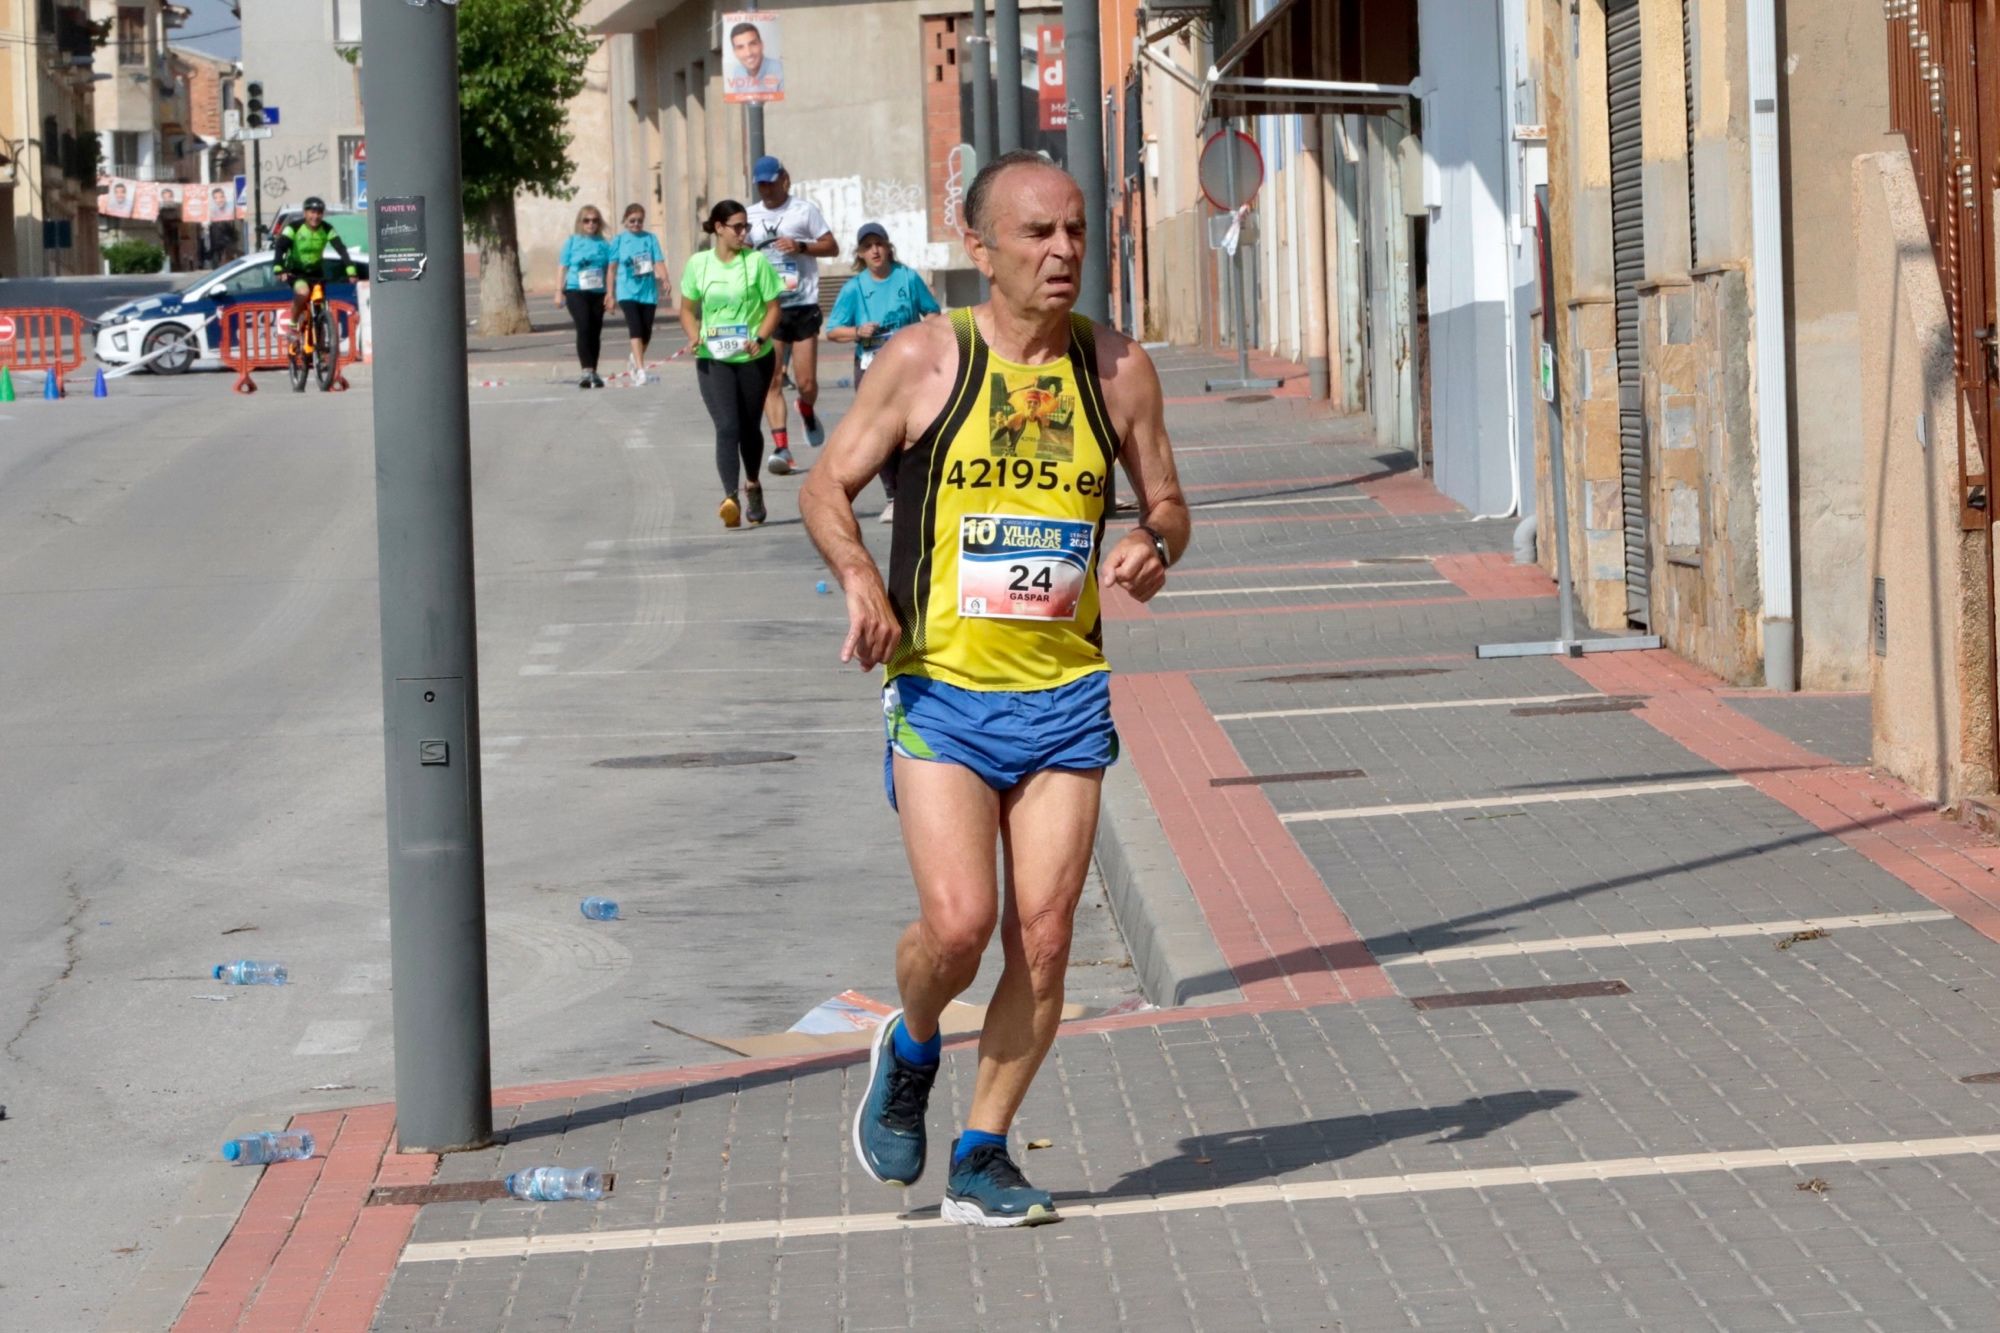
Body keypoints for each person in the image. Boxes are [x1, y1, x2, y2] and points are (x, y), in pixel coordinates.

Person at [799, 151, 1190, 1227]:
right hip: (943, 693)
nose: (1063, 252)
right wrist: (858, 578)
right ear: (978, 250)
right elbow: (824, 485)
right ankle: (912, 1039)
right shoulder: (924, 361)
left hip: (1064, 692)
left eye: (1074, 231)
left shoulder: (1115, 369)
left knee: (1049, 933)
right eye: (1036, 235)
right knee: (959, 924)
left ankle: (981, 1150)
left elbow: (1168, 502)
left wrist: (1153, 543)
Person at [825, 221, 941, 524]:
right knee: (880, 432)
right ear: (860, 254)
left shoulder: (907, 278)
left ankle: (918, 492)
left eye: (879, 244)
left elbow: (932, 310)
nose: (875, 250)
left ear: (888, 247)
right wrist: (857, 331)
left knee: (918, 428)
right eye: (868, 246)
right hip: (872, 365)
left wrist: (923, 329)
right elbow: (833, 331)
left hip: (910, 365)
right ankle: (893, 495)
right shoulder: (855, 288)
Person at [681, 200, 784, 529]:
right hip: (714, 358)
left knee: (748, 428)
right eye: (737, 227)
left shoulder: (756, 263)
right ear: (718, 228)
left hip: (753, 357)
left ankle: (752, 484)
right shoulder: (698, 264)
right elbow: (686, 309)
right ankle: (730, 498)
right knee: (727, 426)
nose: (743, 232)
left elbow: (773, 308)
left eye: (746, 226)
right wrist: (693, 334)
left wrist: (761, 337)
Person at [746, 157, 837, 475]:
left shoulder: (804, 210)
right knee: (771, 379)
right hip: (768, 307)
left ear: (785, 179)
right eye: (761, 184)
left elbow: (831, 246)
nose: (767, 189)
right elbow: (740, 251)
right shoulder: (750, 215)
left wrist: (800, 246)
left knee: (807, 382)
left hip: (802, 304)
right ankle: (782, 448)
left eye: (771, 182)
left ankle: (807, 408)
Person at [272, 197, 357, 353]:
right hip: (296, 272)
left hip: (316, 272)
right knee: (303, 292)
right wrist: (278, 267)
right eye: (312, 212)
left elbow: (341, 249)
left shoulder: (327, 229)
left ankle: (321, 347)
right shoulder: (294, 227)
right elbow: (281, 246)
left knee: (321, 307)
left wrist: (350, 269)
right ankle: (292, 326)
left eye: (319, 213)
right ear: (305, 213)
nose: (315, 217)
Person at [555, 205, 615, 389]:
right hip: (575, 290)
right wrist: (558, 291)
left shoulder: (604, 244)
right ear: (580, 222)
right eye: (586, 220)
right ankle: (586, 370)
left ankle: (593, 372)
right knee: (584, 326)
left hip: (597, 292)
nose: (591, 224)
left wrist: (610, 295)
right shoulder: (572, 241)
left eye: (595, 220)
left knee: (595, 331)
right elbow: (562, 267)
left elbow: (610, 271)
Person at [611, 203, 670, 385]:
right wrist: (609, 293)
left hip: (647, 291)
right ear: (625, 221)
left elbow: (658, 260)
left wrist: (665, 278)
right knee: (635, 327)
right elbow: (611, 268)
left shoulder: (650, 239)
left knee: (646, 332)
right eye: (632, 221)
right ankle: (641, 369)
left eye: (639, 221)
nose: (636, 224)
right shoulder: (619, 240)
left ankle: (634, 358)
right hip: (626, 291)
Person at [725, 20, 784, 97]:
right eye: (740, 47)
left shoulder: (780, 70)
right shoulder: (738, 71)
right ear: (735, 52)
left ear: (761, 45)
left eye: (753, 44)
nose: (748, 53)